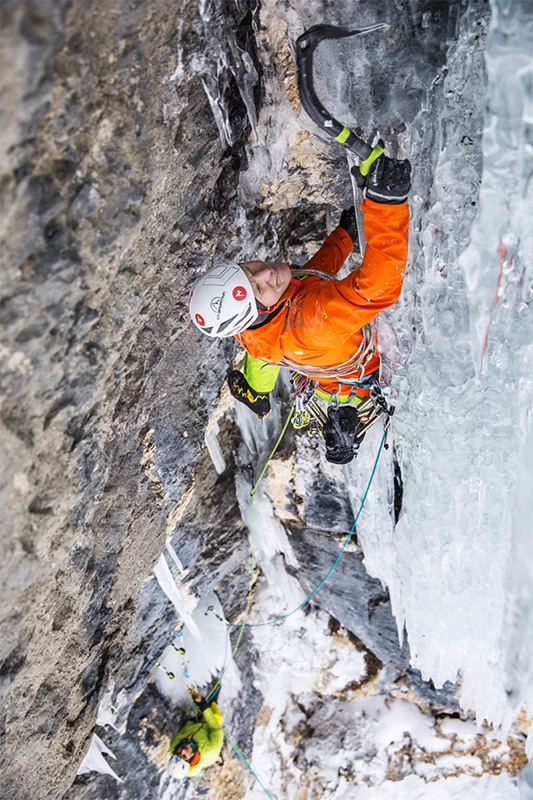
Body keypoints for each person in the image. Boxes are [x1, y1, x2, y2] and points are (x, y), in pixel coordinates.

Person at [188, 154, 411, 463]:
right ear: (257, 313)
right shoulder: (309, 322)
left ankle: (255, 394)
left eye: (248, 270)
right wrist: (387, 205)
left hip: (321, 368)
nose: (267, 273)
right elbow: (378, 288)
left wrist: (344, 236)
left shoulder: (255, 322)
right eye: (258, 287)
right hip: (361, 374)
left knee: (263, 358)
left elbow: (310, 279)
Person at [168, 687, 224, 780]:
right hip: (210, 737)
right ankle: (218, 757)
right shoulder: (209, 750)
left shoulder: (174, 744)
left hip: (197, 727)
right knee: (218, 717)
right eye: (184, 756)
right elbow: (215, 728)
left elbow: (185, 729)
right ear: (191, 759)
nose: (182, 750)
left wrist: (194, 719)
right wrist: (203, 705)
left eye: (178, 753)